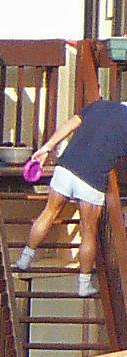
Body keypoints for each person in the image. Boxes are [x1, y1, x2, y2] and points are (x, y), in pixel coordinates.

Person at [19, 98, 127, 297]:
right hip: (92, 179)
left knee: (48, 213)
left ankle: (25, 258)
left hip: (66, 168)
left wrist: (47, 148)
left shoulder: (99, 105)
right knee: (88, 232)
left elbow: (69, 125)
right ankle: (84, 284)